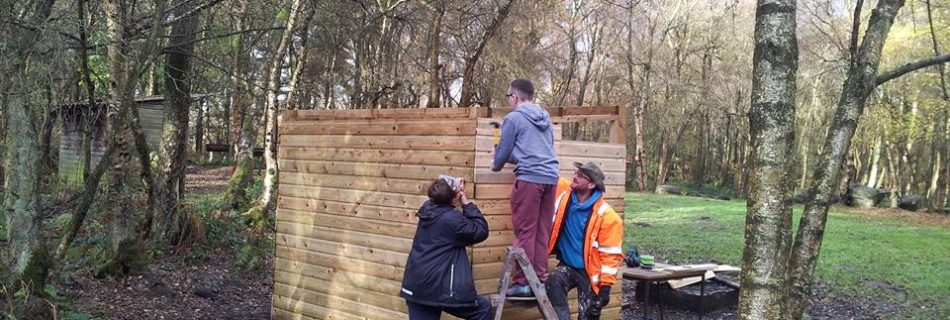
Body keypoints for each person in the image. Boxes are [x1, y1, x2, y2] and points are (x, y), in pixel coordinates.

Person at [491, 79, 559, 297]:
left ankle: (522, 282)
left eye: (508, 96)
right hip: (550, 177)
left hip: (530, 180)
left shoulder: (513, 118)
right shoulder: (545, 118)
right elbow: (541, 150)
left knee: (525, 232)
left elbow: (503, 154)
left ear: (515, 96)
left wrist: (496, 163)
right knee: (541, 231)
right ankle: (539, 278)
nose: (508, 101)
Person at [400, 175, 492, 320]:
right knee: (483, 309)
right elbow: (481, 231)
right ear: (454, 197)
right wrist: (466, 203)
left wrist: (454, 188)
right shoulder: (451, 220)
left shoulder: (427, 210)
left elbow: (442, 187)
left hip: (416, 286)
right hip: (438, 288)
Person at [545, 162, 624, 320]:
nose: (575, 176)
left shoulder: (608, 217)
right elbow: (547, 172)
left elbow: (611, 255)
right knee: (553, 282)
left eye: (581, 176)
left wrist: (605, 290)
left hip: (590, 273)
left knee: (589, 315)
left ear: (591, 184)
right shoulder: (564, 193)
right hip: (567, 266)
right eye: (576, 172)